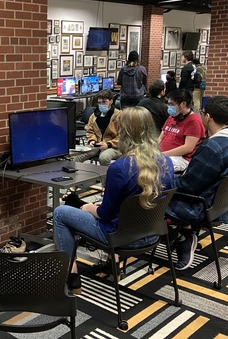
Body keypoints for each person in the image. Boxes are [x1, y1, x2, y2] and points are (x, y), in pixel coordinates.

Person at [54, 107, 174, 294]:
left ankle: (72, 277)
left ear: (124, 132)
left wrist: (86, 207)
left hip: (120, 237)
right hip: (151, 233)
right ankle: (112, 266)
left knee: (60, 213)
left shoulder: (120, 168)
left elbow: (105, 215)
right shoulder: (167, 162)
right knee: (103, 204)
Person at [166, 96, 228, 270]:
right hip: (220, 205)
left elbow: (188, 185)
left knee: (150, 190)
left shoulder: (212, 148)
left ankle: (183, 234)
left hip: (200, 206)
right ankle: (185, 232)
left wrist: (161, 181)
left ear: (207, 116)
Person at [159, 89, 205, 172]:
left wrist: (162, 155)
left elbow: (188, 148)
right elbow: (160, 138)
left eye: (171, 104)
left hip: (180, 158)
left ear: (183, 104)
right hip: (163, 155)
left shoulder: (194, 121)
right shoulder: (172, 117)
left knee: (152, 166)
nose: (169, 107)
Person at [73, 90, 121, 166]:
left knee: (104, 158)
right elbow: (90, 131)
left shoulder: (119, 116)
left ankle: (106, 176)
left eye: (104, 102)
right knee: (76, 156)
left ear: (111, 101)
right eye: (99, 103)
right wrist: (92, 140)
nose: (101, 105)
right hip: (98, 144)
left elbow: (122, 136)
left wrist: (108, 144)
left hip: (114, 146)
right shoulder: (94, 116)